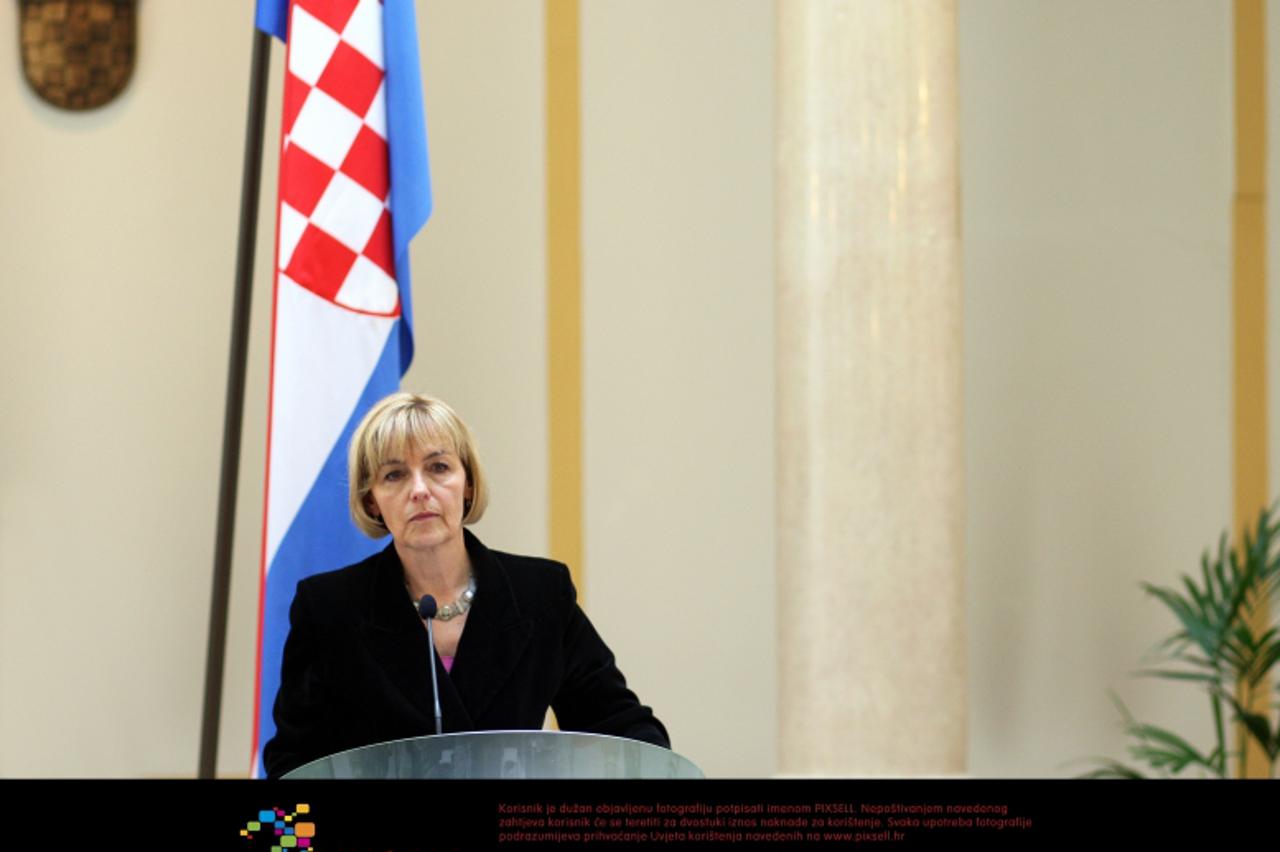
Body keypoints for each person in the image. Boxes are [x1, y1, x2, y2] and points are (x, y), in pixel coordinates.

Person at [262, 392, 668, 777]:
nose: (419, 491)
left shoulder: (540, 594)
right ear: (373, 502)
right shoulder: (329, 609)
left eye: (438, 467)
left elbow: (626, 733)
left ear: (467, 483)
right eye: (394, 475)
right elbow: (292, 766)